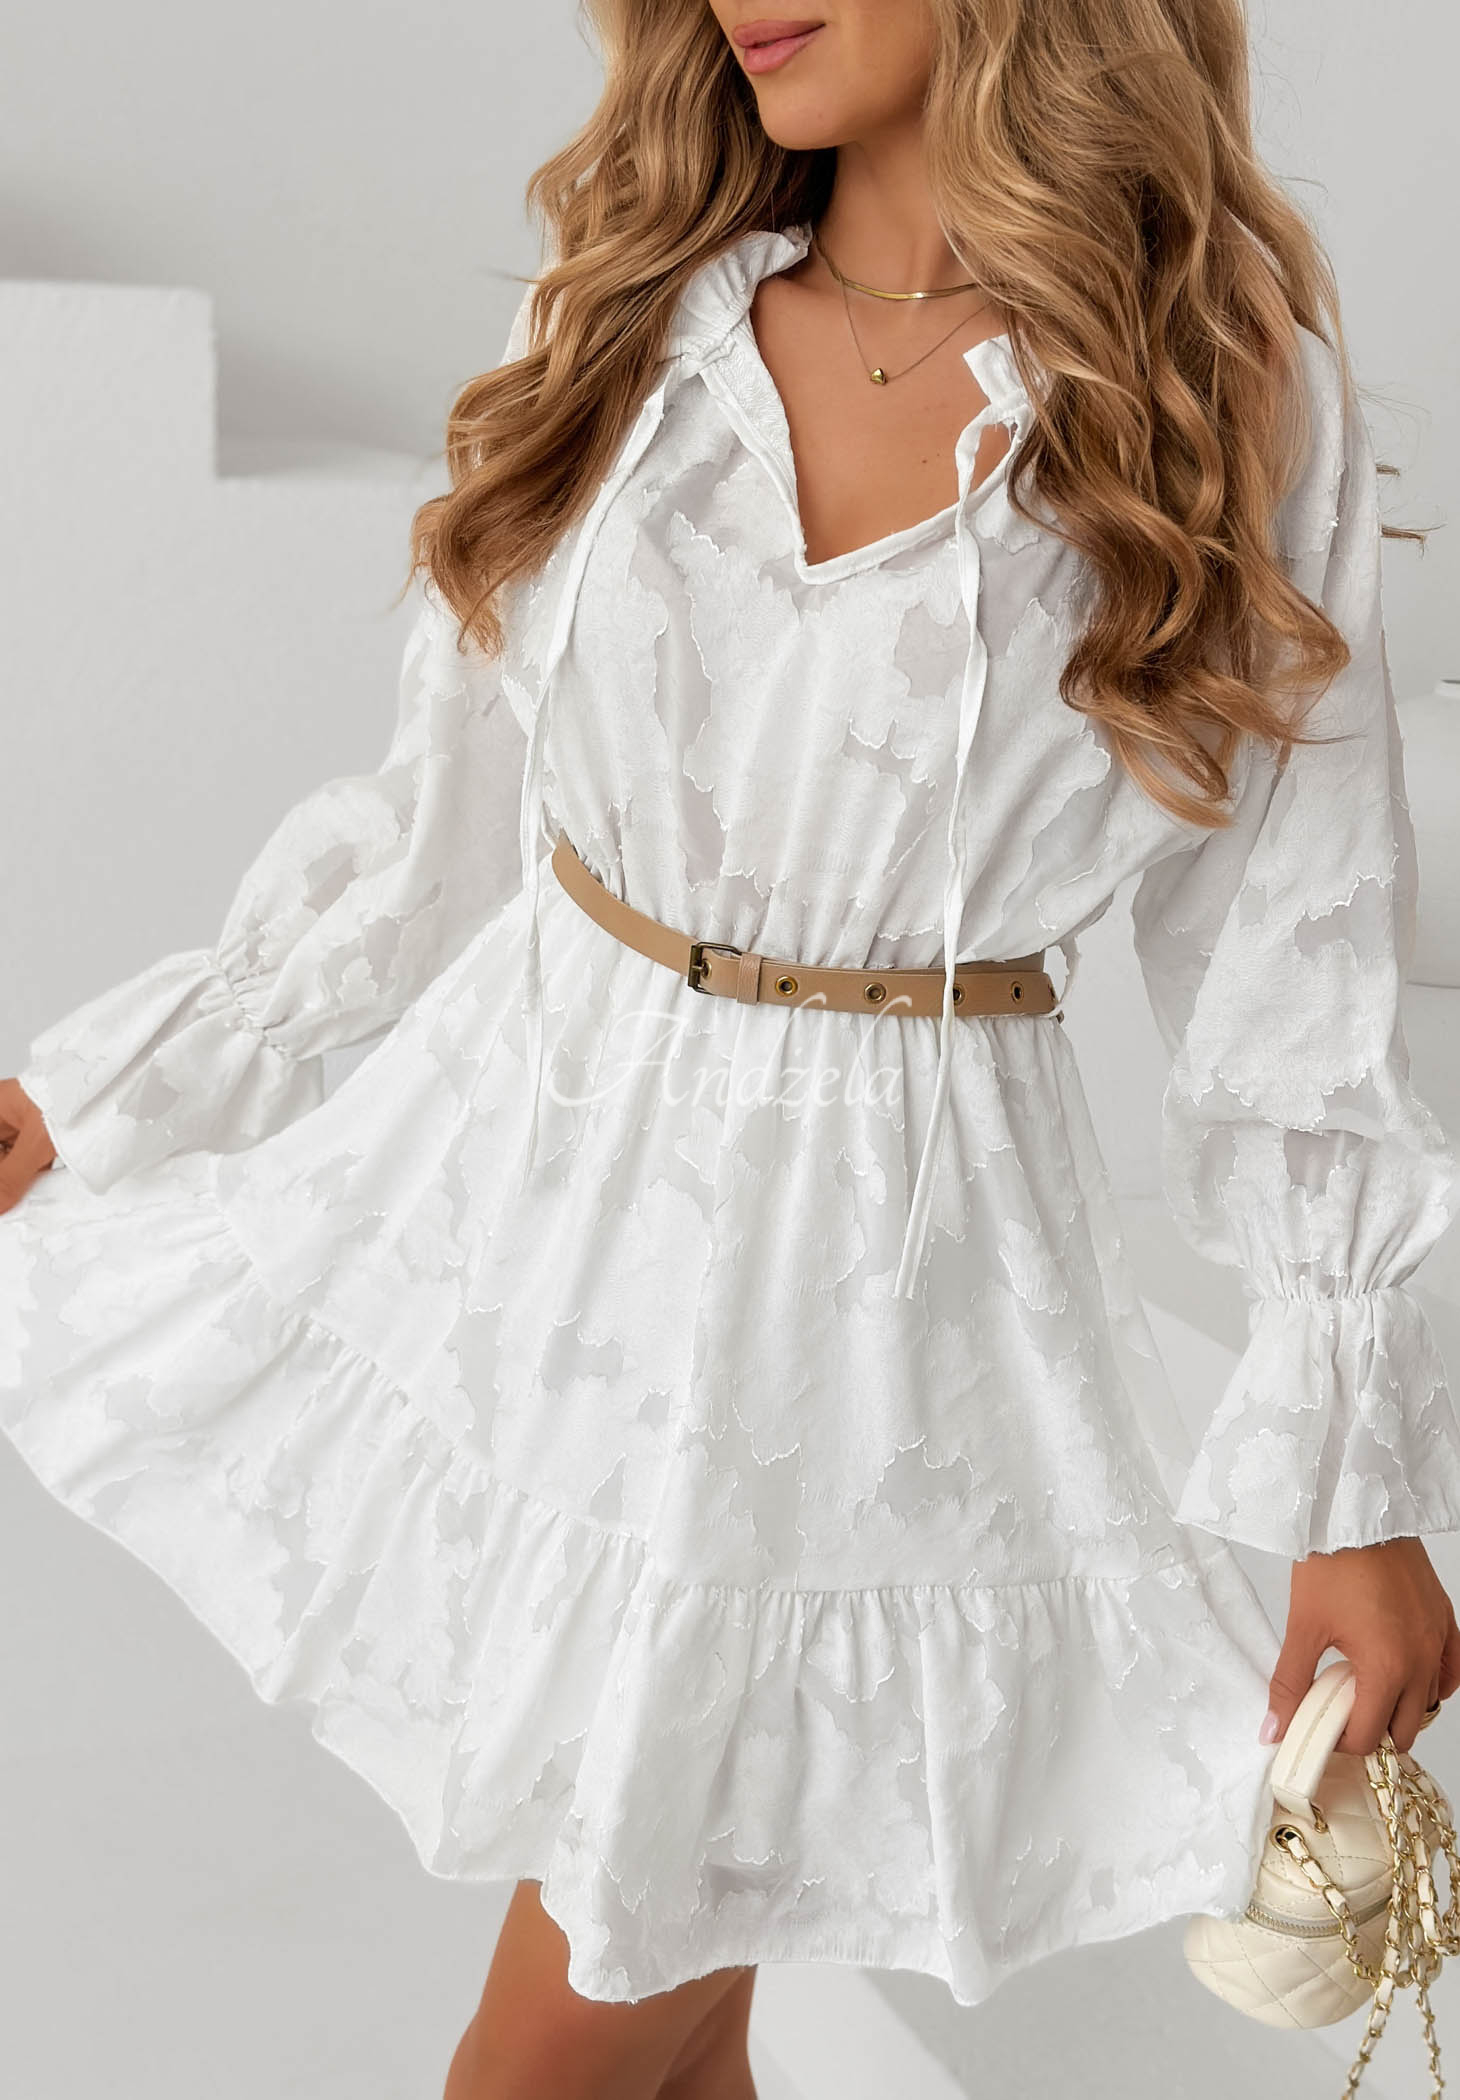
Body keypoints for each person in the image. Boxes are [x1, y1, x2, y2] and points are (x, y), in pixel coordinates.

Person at [4, 2, 1460, 2096]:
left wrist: (1354, 1483)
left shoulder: (1205, 369)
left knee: (560, 2053)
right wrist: (120, 1085)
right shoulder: (631, 306)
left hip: (877, 1328)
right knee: (666, 2044)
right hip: (547, 1233)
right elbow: (443, 823)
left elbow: (1289, 966)